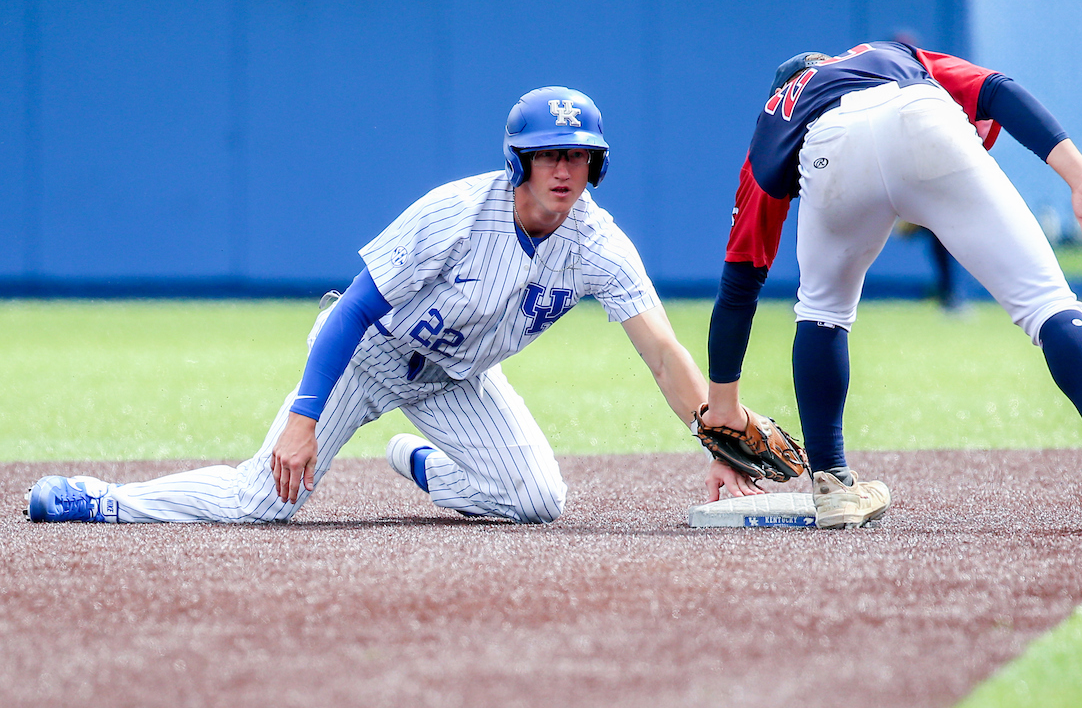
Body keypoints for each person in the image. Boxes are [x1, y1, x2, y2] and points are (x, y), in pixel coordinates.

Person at [26, 86, 738, 524]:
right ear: (517, 161)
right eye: (547, 153)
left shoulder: (599, 243)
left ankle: (424, 464)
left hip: (456, 378)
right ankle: (102, 500)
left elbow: (662, 355)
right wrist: (304, 419)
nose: (563, 169)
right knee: (265, 502)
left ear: (595, 165)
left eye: (577, 156)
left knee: (538, 502)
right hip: (364, 356)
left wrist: (719, 444)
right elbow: (354, 310)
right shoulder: (455, 212)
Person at [700, 41, 1082, 531]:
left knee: (821, 310)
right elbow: (998, 91)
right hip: (918, 114)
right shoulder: (883, 53)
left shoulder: (775, 115)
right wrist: (1081, 179)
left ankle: (831, 484)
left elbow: (740, 282)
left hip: (827, 147)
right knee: (1046, 301)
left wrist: (723, 411)